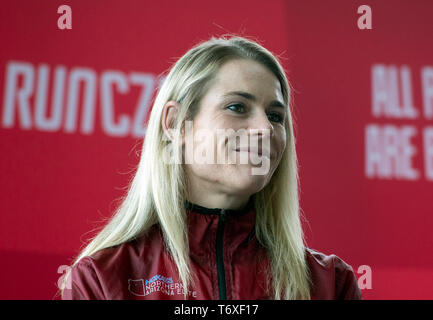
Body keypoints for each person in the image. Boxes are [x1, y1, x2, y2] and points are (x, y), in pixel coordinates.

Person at [60, 35, 362, 300]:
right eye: (237, 107)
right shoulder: (100, 279)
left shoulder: (331, 284)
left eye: (275, 115)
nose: (264, 129)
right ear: (175, 123)